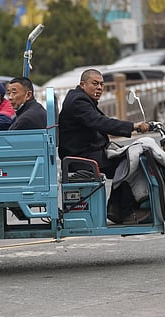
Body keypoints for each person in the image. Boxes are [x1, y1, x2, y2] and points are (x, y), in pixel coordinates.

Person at [58, 68, 150, 224]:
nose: (99, 87)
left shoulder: (81, 99)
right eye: (95, 84)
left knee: (126, 157)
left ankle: (116, 208)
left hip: (85, 152)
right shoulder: (79, 102)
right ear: (82, 84)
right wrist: (133, 126)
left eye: (101, 84)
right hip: (80, 157)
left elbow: (101, 120)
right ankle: (123, 212)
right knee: (129, 163)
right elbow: (100, 122)